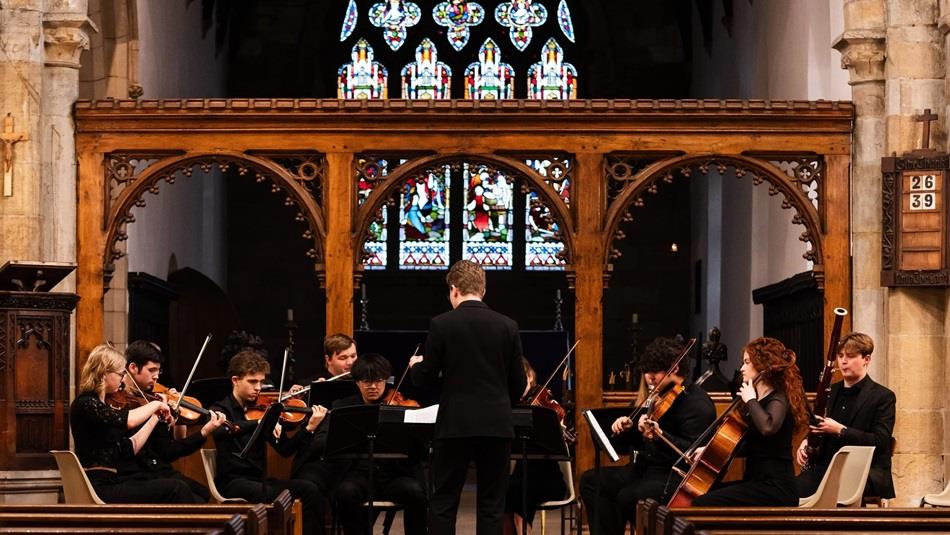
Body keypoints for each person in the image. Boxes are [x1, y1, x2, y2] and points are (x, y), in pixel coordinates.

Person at [409, 260, 527, 535]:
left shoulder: (441, 324)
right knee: (491, 505)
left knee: (444, 501)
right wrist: (498, 401)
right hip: (496, 424)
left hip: (455, 424)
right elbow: (518, 383)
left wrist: (416, 367)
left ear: (453, 290)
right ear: (483, 290)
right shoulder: (507, 326)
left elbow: (427, 379)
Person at [580, 337, 716, 534]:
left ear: (674, 369)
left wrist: (659, 436)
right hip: (645, 469)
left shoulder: (697, 404)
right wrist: (628, 429)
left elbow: (689, 455)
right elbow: (639, 445)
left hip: (672, 476)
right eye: (646, 372)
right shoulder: (659, 396)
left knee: (628, 496)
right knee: (591, 481)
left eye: (654, 373)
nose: (648, 378)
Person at [303, 353, 427, 535]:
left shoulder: (400, 408)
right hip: (358, 475)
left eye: (378, 381)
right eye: (367, 381)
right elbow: (320, 443)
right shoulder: (342, 408)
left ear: (386, 381)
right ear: (357, 382)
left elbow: (419, 449)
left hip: (393, 475)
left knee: (416, 491)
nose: (373, 387)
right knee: (345, 492)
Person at [211, 351, 328, 535]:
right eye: (252, 382)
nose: (258, 387)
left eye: (261, 382)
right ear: (235, 380)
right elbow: (222, 430)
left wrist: (309, 428)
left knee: (309, 489)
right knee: (282, 497)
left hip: (260, 480)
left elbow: (285, 450)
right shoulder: (220, 409)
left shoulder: (265, 410)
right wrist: (260, 423)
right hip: (234, 481)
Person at [69, 344, 198, 503]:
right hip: (99, 486)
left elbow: (129, 448)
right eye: (120, 373)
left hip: (116, 480)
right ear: (104, 373)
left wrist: (155, 417)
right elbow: (128, 420)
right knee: (176, 488)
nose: (123, 378)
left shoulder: (102, 405)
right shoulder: (86, 403)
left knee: (179, 486)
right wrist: (155, 405)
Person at [690, 337, 809, 506]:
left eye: (747, 362)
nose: (742, 368)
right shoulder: (757, 400)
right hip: (755, 482)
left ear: (763, 365)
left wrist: (750, 400)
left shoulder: (778, 399)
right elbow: (751, 445)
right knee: (700, 496)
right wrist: (709, 451)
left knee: (703, 503)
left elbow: (768, 428)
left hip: (775, 487)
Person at [115, 340, 227, 502]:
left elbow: (168, 450)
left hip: (157, 468)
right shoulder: (123, 403)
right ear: (132, 368)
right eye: (151, 370)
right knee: (191, 497)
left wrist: (181, 419)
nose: (156, 377)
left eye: (158, 371)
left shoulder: (153, 399)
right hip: (137, 474)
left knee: (202, 493)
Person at [794, 332, 896, 500]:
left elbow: (881, 441)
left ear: (866, 359)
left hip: (863, 470)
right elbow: (819, 424)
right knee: (790, 492)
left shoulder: (883, 396)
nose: (843, 361)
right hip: (827, 467)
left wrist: (841, 430)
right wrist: (806, 441)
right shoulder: (831, 391)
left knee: (811, 490)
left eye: (850, 356)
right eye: (840, 356)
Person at [504, 358, 568, 535]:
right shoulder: (512, 407)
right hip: (521, 476)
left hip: (549, 480)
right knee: (504, 491)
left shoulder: (545, 405)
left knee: (518, 492)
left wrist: (557, 427)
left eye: (521, 378)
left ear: (530, 376)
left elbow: (559, 419)